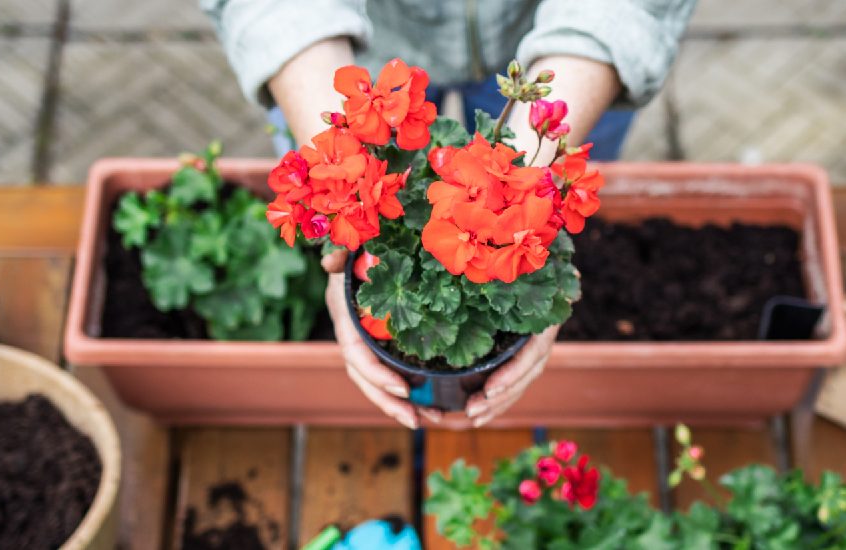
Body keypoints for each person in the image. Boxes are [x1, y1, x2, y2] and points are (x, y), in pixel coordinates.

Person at [202, 0, 697, 428]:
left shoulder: (491, 208)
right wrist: (346, 203)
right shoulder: (383, 163)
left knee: (538, 186)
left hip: (570, 50)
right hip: (349, 45)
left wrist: (520, 186)